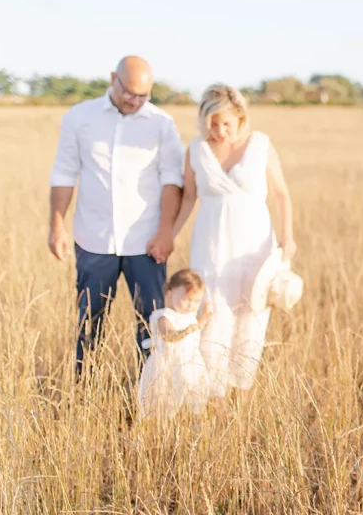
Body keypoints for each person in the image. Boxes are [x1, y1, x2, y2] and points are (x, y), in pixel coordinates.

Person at [48, 55, 184, 375]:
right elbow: (64, 174)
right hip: (93, 240)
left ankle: (148, 398)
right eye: (130, 93)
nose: (136, 101)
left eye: (144, 95)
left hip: (147, 243)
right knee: (88, 326)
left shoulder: (162, 124)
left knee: (150, 328)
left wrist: (166, 233)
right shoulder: (79, 117)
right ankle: (87, 398)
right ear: (113, 79)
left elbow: (172, 180)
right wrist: (57, 226)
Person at [173, 85, 296, 398]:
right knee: (212, 308)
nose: (219, 131)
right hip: (211, 242)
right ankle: (211, 392)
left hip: (254, 243)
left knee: (250, 311)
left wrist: (288, 237)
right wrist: (169, 236)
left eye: (226, 123)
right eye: (212, 123)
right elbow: (188, 198)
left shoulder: (261, 145)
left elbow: (281, 194)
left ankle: (241, 386)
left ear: (241, 119)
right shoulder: (196, 149)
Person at [137, 270, 212, 420]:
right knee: (163, 399)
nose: (191, 305)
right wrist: (186, 331)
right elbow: (168, 335)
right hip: (168, 364)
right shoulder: (164, 316)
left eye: (196, 301)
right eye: (186, 299)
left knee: (193, 396)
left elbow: (197, 327)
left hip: (190, 363)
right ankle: (158, 427)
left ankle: (188, 422)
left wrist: (204, 317)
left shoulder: (191, 316)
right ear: (170, 294)